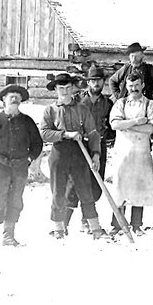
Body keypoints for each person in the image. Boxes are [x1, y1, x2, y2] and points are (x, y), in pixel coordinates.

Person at [41, 72, 106, 239]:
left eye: (68, 87)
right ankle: (59, 228)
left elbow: (92, 133)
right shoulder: (50, 110)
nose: (65, 91)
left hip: (79, 153)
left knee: (85, 190)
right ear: (55, 89)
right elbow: (44, 133)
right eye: (61, 88)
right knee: (58, 192)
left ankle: (95, 228)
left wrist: (96, 155)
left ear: (73, 89)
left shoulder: (82, 109)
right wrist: (65, 134)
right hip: (59, 154)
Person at [0, 85, 43, 247]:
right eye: (10, 96)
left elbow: (37, 143)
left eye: (17, 97)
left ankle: (8, 236)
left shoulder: (27, 121)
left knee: (15, 200)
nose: (14, 99)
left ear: (21, 101)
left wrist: (29, 158)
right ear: (3, 100)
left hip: (20, 167)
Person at [108, 74, 153, 236]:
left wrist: (127, 126)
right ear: (127, 86)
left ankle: (137, 225)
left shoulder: (150, 105)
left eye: (137, 85)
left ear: (143, 85)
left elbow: (151, 129)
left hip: (141, 153)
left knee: (140, 187)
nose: (134, 88)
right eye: (130, 86)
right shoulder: (120, 103)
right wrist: (136, 122)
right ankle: (117, 224)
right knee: (120, 188)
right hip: (122, 153)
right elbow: (115, 124)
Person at [76, 65, 114, 231]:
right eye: (92, 80)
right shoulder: (78, 100)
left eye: (99, 80)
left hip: (98, 145)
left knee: (96, 183)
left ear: (103, 82)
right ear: (88, 82)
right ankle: (81, 220)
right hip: (79, 145)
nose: (96, 83)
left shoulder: (107, 103)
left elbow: (112, 125)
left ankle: (87, 216)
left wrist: (108, 136)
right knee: (79, 181)